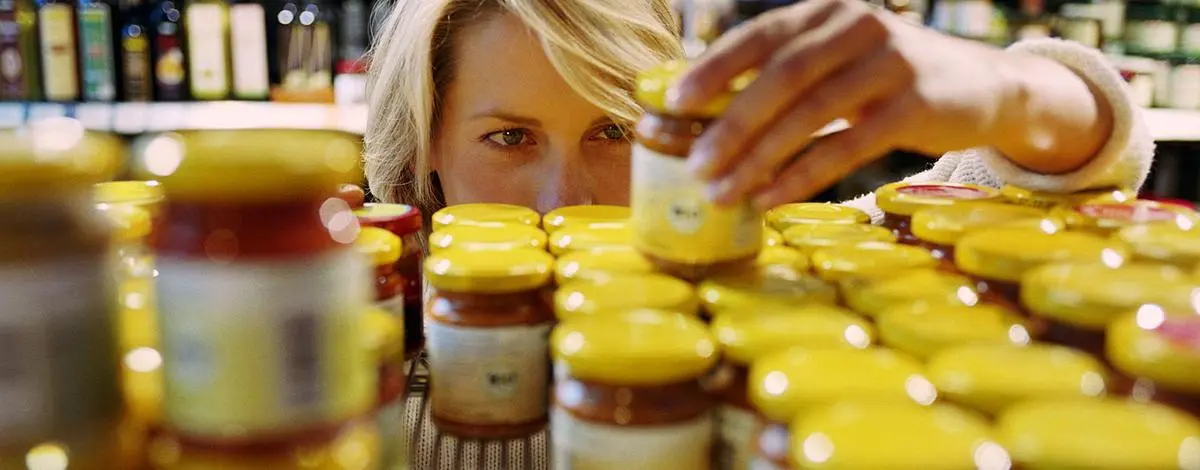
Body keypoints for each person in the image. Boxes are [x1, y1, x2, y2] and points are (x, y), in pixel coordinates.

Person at [363, 0, 1152, 231]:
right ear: (425, 145)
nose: (564, 198)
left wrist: (1007, 91)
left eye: (614, 131)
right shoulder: (344, 331)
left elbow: (1065, 170)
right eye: (508, 137)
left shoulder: (749, 271)